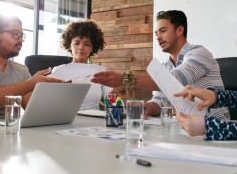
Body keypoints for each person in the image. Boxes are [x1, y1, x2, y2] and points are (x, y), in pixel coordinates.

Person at [91, 10, 230, 120]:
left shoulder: (199, 53)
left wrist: (124, 79)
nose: (158, 37)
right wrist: (146, 108)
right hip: (187, 126)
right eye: (156, 33)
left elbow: (173, 81)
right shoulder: (165, 66)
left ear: (180, 30)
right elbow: (159, 101)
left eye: (163, 31)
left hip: (217, 126)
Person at [52, 19, 111, 110]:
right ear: (69, 45)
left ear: (92, 48)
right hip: (65, 120)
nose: (81, 47)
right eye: (76, 43)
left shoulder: (100, 72)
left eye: (87, 44)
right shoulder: (58, 71)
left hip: (94, 121)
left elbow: (113, 100)